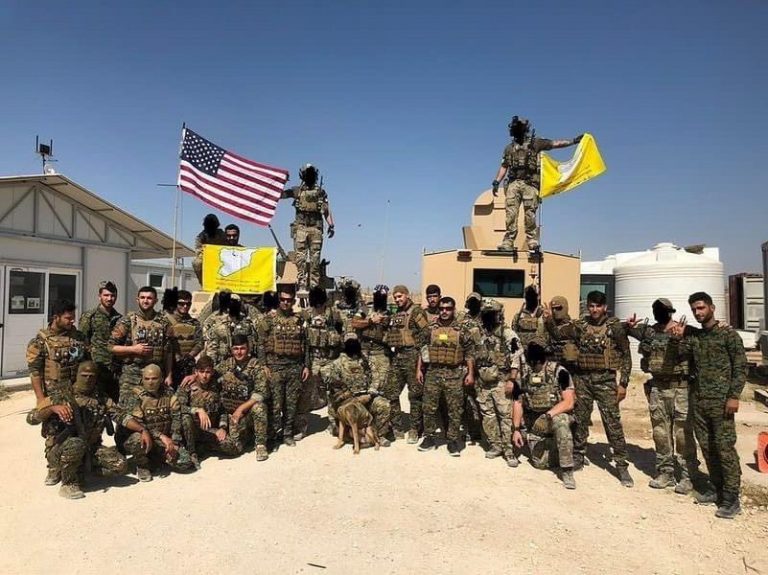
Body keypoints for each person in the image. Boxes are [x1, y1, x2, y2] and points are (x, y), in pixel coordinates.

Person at [544, 290, 634, 487]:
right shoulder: (580, 326)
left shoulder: (615, 328)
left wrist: (623, 383)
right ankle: (578, 455)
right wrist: (550, 320)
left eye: (598, 306)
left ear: (605, 307)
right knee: (581, 420)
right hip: (583, 379)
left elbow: (626, 354)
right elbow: (558, 334)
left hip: (606, 381)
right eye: (591, 306)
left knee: (612, 423)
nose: (594, 310)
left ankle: (621, 465)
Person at [672, 292, 747, 519]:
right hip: (700, 401)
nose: (698, 313)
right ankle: (716, 488)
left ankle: (732, 497)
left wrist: (734, 396)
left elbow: (740, 367)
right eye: (694, 309)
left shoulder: (728, 335)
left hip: (722, 402)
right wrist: (677, 338)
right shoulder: (696, 336)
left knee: (724, 448)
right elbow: (679, 355)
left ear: (712, 308)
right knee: (706, 446)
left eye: (701, 308)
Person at [27, 361, 134, 498]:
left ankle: (81, 471)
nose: (88, 379)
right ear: (77, 375)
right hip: (60, 450)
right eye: (84, 375)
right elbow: (31, 418)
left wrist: (143, 430)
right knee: (76, 443)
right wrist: (52, 408)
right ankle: (68, 483)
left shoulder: (100, 398)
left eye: (91, 376)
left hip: (90, 448)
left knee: (120, 465)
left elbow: (121, 416)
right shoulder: (62, 395)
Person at [625, 298, 699, 494]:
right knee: (660, 433)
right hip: (658, 388)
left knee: (683, 434)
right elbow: (627, 330)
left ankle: (687, 475)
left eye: (663, 310)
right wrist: (628, 326)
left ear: (671, 312)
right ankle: (665, 472)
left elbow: (707, 339)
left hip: (681, 389)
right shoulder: (649, 331)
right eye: (656, 310)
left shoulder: (686, 330)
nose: (659, 313)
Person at [491, 116, 582, 251]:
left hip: (530, 183)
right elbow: (504, 166)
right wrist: (496, 181)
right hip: (513, 183)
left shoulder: (536, 143)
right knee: (510, 214)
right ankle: (508, 241)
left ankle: (532, 240)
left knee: (530, 214)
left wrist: (573, 141)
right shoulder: (509, 148)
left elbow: (555, 144)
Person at [510, 340, 577, 489]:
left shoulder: (560, 372)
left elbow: (569, 402)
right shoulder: (523, 374)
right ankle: (554, 450)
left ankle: (567, 470)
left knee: (561, 422)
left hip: (554, 416)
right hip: (534, 421)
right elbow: (518, 402)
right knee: (540, 464)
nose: (534, 365)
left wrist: (548, 415)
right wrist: (516, 429)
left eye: (537, 362)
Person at [416, 297, 476, 456]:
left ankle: (452, 441)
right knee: (428, 408)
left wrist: (470, 373)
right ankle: (429, 437)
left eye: (448, 308)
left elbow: (470, 353)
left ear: (453, 310)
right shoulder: (430, 329)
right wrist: (419, 370)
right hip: (433, 373)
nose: (444, 311)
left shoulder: (461, 330)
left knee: (454, 409)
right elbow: (422, 349)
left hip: (454, 374)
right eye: (442, 308)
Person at [122, 364, 194, 481]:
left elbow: (176, 417)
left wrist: (175, 441)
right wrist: (161, 436)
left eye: (154, 379)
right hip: (145, 437)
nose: (150, 382)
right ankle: (142, 465)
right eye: (147, 379)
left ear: (161, 379)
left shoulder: (168, 393)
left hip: (162, 440)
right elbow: (138, 424)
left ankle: (156, 458)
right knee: (137, 438)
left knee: (185, 462)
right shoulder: (135, 396)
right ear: (142, 379)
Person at [257, 286, 309, 447]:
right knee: (275, 404)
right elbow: (260, 344)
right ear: (278, 300)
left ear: (293, 301)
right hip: (275, 367)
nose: (286, 303)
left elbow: (305, 344)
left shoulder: (299, 320)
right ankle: (273, 435)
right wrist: (263, 365)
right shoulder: (268, 320)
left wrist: (306, 366)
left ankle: (287, 434)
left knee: (291, 405)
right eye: (283, 300)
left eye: (289, 300)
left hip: (294, 367)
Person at [474, 298, 523, 466]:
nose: (488, 317)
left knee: (505, 416)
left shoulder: (507, 333)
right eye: (486, 314)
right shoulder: (479, 333)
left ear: (498, 314)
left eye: (492, 314)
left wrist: (512, 380)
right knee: (488, 416)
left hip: (501, 382)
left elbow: (516, 356)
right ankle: (496, 445)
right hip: (483, 383)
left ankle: (509, 451)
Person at [383, 285, 430, 442]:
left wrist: (420, 360)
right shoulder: (397, 313)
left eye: (400, 296)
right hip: (398, 356)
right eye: (395, 297)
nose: (397, 299)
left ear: (407, 295)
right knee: (391, 392)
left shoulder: (416, 312)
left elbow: (425, 333)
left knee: (415, 395)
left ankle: (414, 429)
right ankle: (397, 427)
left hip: (413, 356)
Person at [326, 333, 392, 445]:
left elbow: (376, 376)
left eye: (354, 342)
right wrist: (352, 399)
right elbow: (334, 385)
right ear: (345, 344)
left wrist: (370, 393)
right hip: (348, 401)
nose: (352, 344)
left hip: (366, 396)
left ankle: (379, 435)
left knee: (384, 405)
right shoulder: (337, 363)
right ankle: (344, 432)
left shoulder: (365, 360)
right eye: (349, 342)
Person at [109, 286, 173, 400]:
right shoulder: (127, 321)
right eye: (142, 297)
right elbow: (111, 347)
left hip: (156, 374)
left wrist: (169, 375)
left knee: (156, 407)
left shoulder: (164, 322)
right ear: (137, 300)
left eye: (149, 298)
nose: (145, 300)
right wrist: (133, 349)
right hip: (132, 374)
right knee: (129, 407)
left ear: (155, 301)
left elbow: (168, 351)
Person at [214, 335, 270, 461]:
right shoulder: (226, 365)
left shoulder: (255, 366)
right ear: (231, 350)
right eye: (236, 349)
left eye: (242, 348)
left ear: (248, 349)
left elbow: (261, 393)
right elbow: (210, 373)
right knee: (233, 447)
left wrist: (241, 409)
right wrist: (193, 377)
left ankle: (260, 444)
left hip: (247, 412)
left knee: (259, 407)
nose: (239, 352)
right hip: (230, 412)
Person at [297, 286, 343, 439]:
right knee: (306, 393)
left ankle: (334, 423)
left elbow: (345, 329)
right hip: (312, 360)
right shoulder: (306, 314)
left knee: (333, 393)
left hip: (330, 359)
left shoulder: (333, 313)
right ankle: (301, 427)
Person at [281, 164, 335, 292]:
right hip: (301, 227)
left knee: (315, 259)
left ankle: (314, 286)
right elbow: (281, 195)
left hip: (316, 228)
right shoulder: (297, 191)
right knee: (300, 259)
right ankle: (302, 283)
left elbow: (326, 210)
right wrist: (282, 181)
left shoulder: (321, 192)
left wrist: (331, 225)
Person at [177, 356, 232, 465]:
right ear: (196, 372)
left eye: (208, 372)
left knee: (231, 446)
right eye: (201, 372)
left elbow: (222, 409)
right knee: (186, 418)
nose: (204, 375)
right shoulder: (187, 386)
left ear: (212, 372)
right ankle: (192, 452)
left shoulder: (216, 386)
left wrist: (222, 428)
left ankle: (203, 447)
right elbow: (178, 407)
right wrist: (197, 410)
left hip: (209, 429)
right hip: (192, 430)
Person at [79, 280, 122, 401]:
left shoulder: (119, 318)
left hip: (115, 370)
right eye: (106, 295)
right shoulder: (89, 316)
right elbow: (82, 342)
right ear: (99, 296)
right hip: (96, 369)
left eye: (113, 295)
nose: (109, 298)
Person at [350, 284, 392, 399]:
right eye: (378, 296)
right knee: (362, 383)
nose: (380, 299)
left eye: (383, 296)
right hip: (364, 351)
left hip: (380, 353)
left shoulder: (389, 313)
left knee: (380, 386)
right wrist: (370, 321)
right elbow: (354, 323)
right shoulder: (365, 309)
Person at [163, 289, 203, 389]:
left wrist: (190, 355)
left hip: (187, 365)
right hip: (169, 365)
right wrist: (176, 357)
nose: (185, 306)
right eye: (181, 303)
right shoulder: (166, 321)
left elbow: (200, 342)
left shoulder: (194, 323)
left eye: (188, 304)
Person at [202, 294, 257, 364]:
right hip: (223, 361)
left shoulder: (246, 322)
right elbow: (212, 347)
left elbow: (252, 342)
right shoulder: (218, 323)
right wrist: (212, 364)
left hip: (243, 361)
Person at [545, 295, 579, 370]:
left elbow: (559, 336)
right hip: (551, 367)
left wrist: (549, 319)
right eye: (553, 308)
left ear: (565, 308)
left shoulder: (572, 326)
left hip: (568, 368)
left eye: (558, 308)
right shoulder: (547, 324)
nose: (554, 311)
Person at [192, 213, 227, 283]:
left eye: (212, 224)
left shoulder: (222, 234)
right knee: (197, 263)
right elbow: (198, 251)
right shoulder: (201, 237)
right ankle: (203, 283)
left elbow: (227, 246)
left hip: (221, 257)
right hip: (207, 258)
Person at [512, 285, 546, 349]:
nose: (531, 299)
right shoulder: (519, 316)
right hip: (523, 350)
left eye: (533, 296)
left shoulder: (544, 314)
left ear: (538, 296)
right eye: (528, 296)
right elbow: (514, 334)